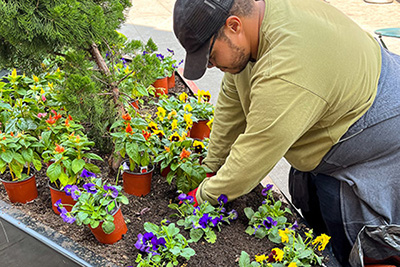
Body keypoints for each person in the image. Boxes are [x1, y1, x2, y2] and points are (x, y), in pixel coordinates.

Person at [173, 0, 400, 265]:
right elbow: (231, 102)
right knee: (310, 200)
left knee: (353, 236)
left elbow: (255, 152)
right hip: (349, 99)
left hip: (379, 127)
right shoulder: (257, 26)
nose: (210, 66)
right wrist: (211, 164)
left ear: (233, 26)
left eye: (210, 56)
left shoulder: (286, 65)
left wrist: (202, 197)